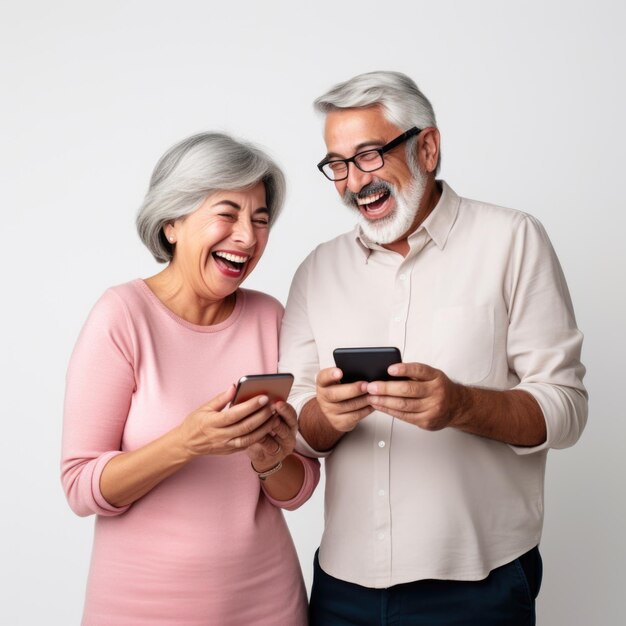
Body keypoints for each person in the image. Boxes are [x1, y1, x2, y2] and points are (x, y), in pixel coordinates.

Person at [279, 71, 587, 625]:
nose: (353, 182)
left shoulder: (513, 239)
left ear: (427, 146)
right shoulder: (315, 271)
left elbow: (566, 409)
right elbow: (298, 431)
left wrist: (462, 406)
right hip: (342, 588)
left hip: (479, 584)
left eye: (369, 155)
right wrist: (326, 416)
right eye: (338, 164)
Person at [61, 132, 320, 625]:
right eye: (227, 213)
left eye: (260, 219)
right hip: (141, 607)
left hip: (269, 603)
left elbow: (299, 487)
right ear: (173, 222)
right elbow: (79, 486)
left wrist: (270, 461)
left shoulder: (270, 317)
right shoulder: (122, 317)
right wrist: (187, 442)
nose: (247, 236)